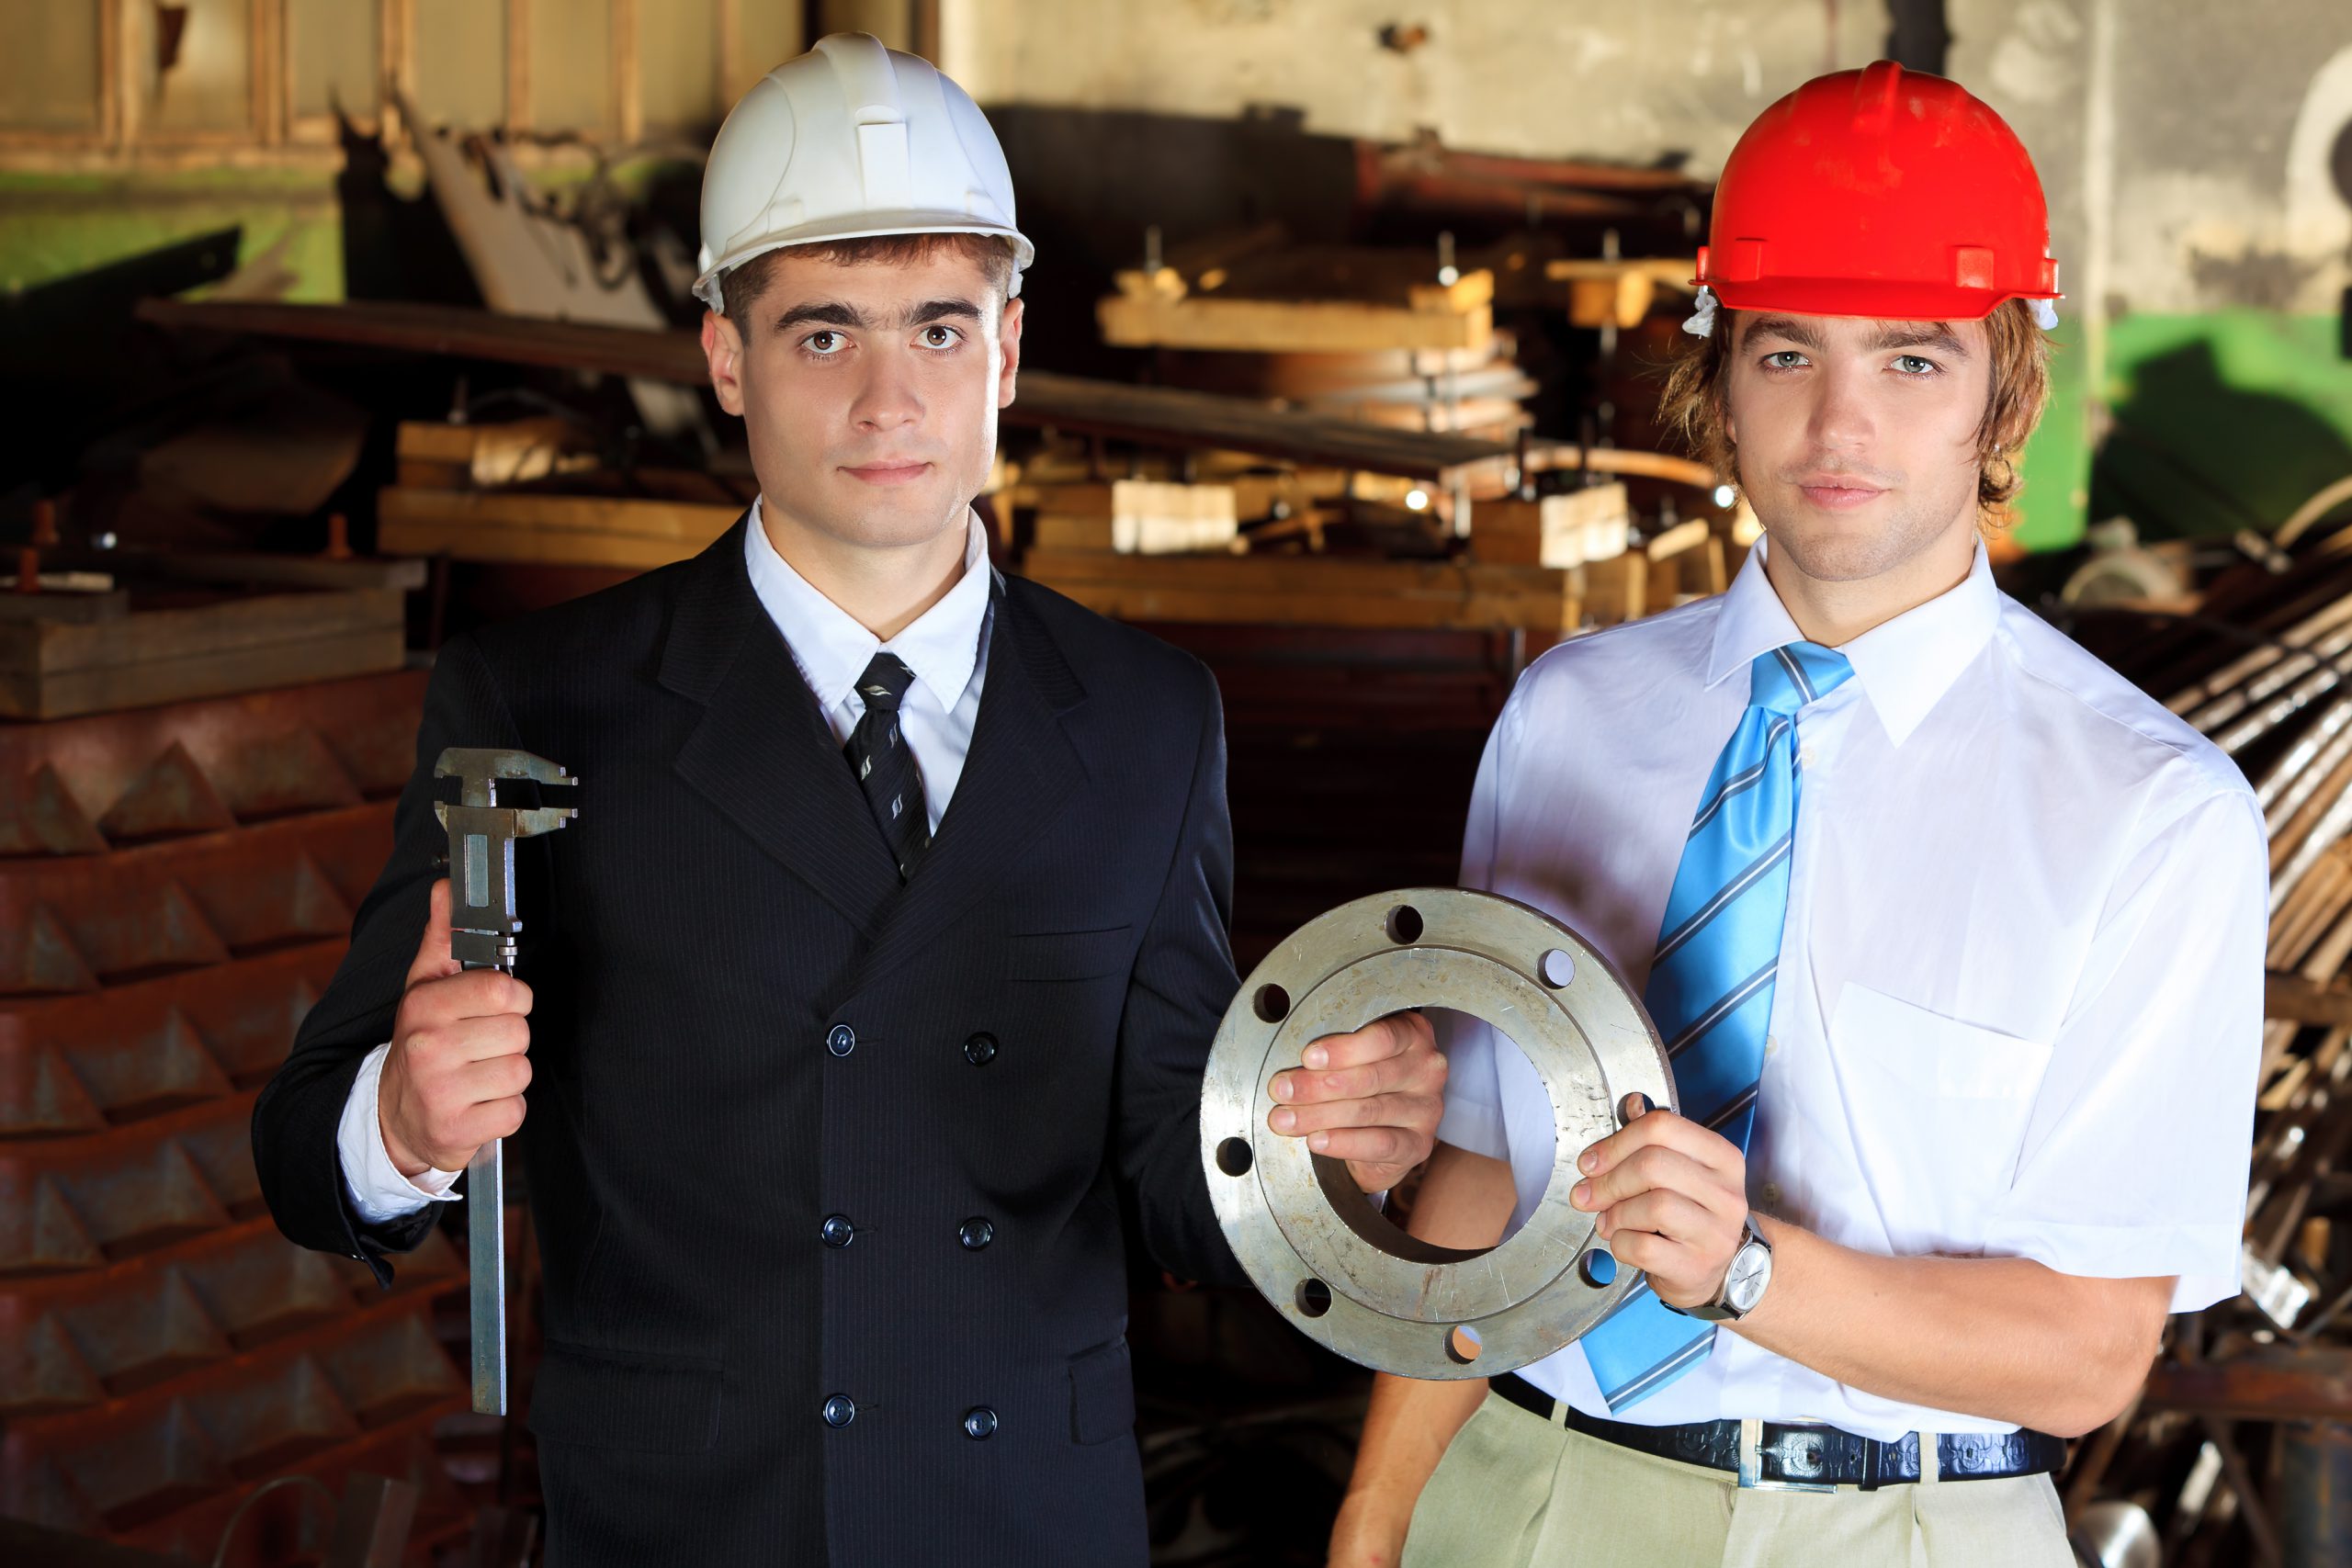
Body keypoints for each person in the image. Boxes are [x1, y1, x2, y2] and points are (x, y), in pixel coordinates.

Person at [251, 35, 1446, 1567]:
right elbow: (302, 1155)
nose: (891, 399)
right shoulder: (545, 704)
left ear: (1008, 351)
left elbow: (1170, 1178)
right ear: (726, 356)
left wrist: (1321, 1154)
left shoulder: (1151, 716)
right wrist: (403, 1126)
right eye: (824, 337)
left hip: (1025, 1520)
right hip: (695, 1519)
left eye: (938, 329)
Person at [1329, 61, 2265, 1568]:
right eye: (1785, 356)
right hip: (1527, 1490)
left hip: (1903, 1524)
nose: (1840, 423)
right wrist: (1376, 1519)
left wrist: (1750, 1269)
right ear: (1719, 379)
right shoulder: (1569, 718)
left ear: (2003, 389)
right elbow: (1496, 1170)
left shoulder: (2148, 812)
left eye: (1911, 361)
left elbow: (2090, 1351)